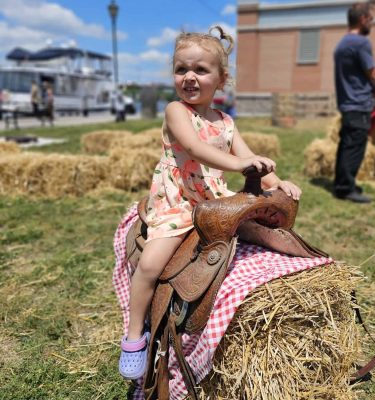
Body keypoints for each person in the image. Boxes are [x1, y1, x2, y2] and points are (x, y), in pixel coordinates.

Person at [118, 26, 302, 380]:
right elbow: (195, 148)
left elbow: (250, 158)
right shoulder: (176, 111)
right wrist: (237, 165)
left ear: (221, 79)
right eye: (181, 69)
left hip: (213, 200)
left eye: (200, 70)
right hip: (179, 201)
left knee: (261, 238)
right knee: (152, 264)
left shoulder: (226, 122)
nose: (189, 77)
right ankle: (133, 335)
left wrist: (278, 182)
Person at [333, 2, 375, 203]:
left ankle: (342, 185)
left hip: (347, 102)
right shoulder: (361, 43)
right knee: (355, 146)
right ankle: (346, 188)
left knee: (346, 144)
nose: (371, 24)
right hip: (359, 102)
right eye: (371, 20)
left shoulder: (342, 43)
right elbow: (372, 74)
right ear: (363, 19)